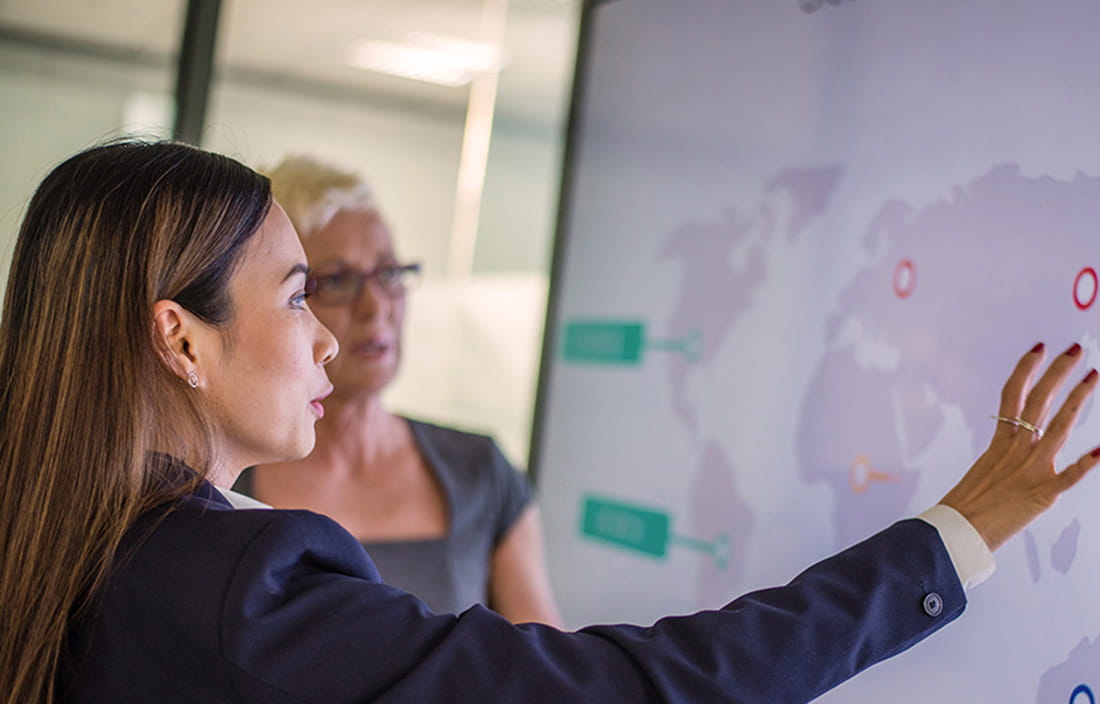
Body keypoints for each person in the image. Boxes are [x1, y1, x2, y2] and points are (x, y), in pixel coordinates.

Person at [0, 140, 1094, 704]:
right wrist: (946, 535)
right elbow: (610, 688)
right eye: (300, 293)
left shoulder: (75, 541)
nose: (333, 334)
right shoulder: (241, 576)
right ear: (180, 338)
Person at [229, 155, 561, 624]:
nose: (376, 305)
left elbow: (544, 669)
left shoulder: (481, 472)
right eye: (339, 280)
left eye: (388, 273)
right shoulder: (229, 483)